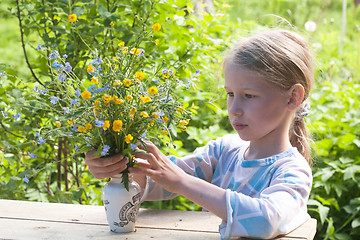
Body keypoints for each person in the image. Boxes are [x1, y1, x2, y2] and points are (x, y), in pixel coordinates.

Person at [85, 29, 314, 239]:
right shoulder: (224, 150)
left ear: (293, 97)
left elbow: (264, 221)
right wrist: (120, 167)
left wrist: (183, 182)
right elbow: (159, 183)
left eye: (249, 95)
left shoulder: (293, 171)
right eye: (230, 93)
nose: (233, 109)